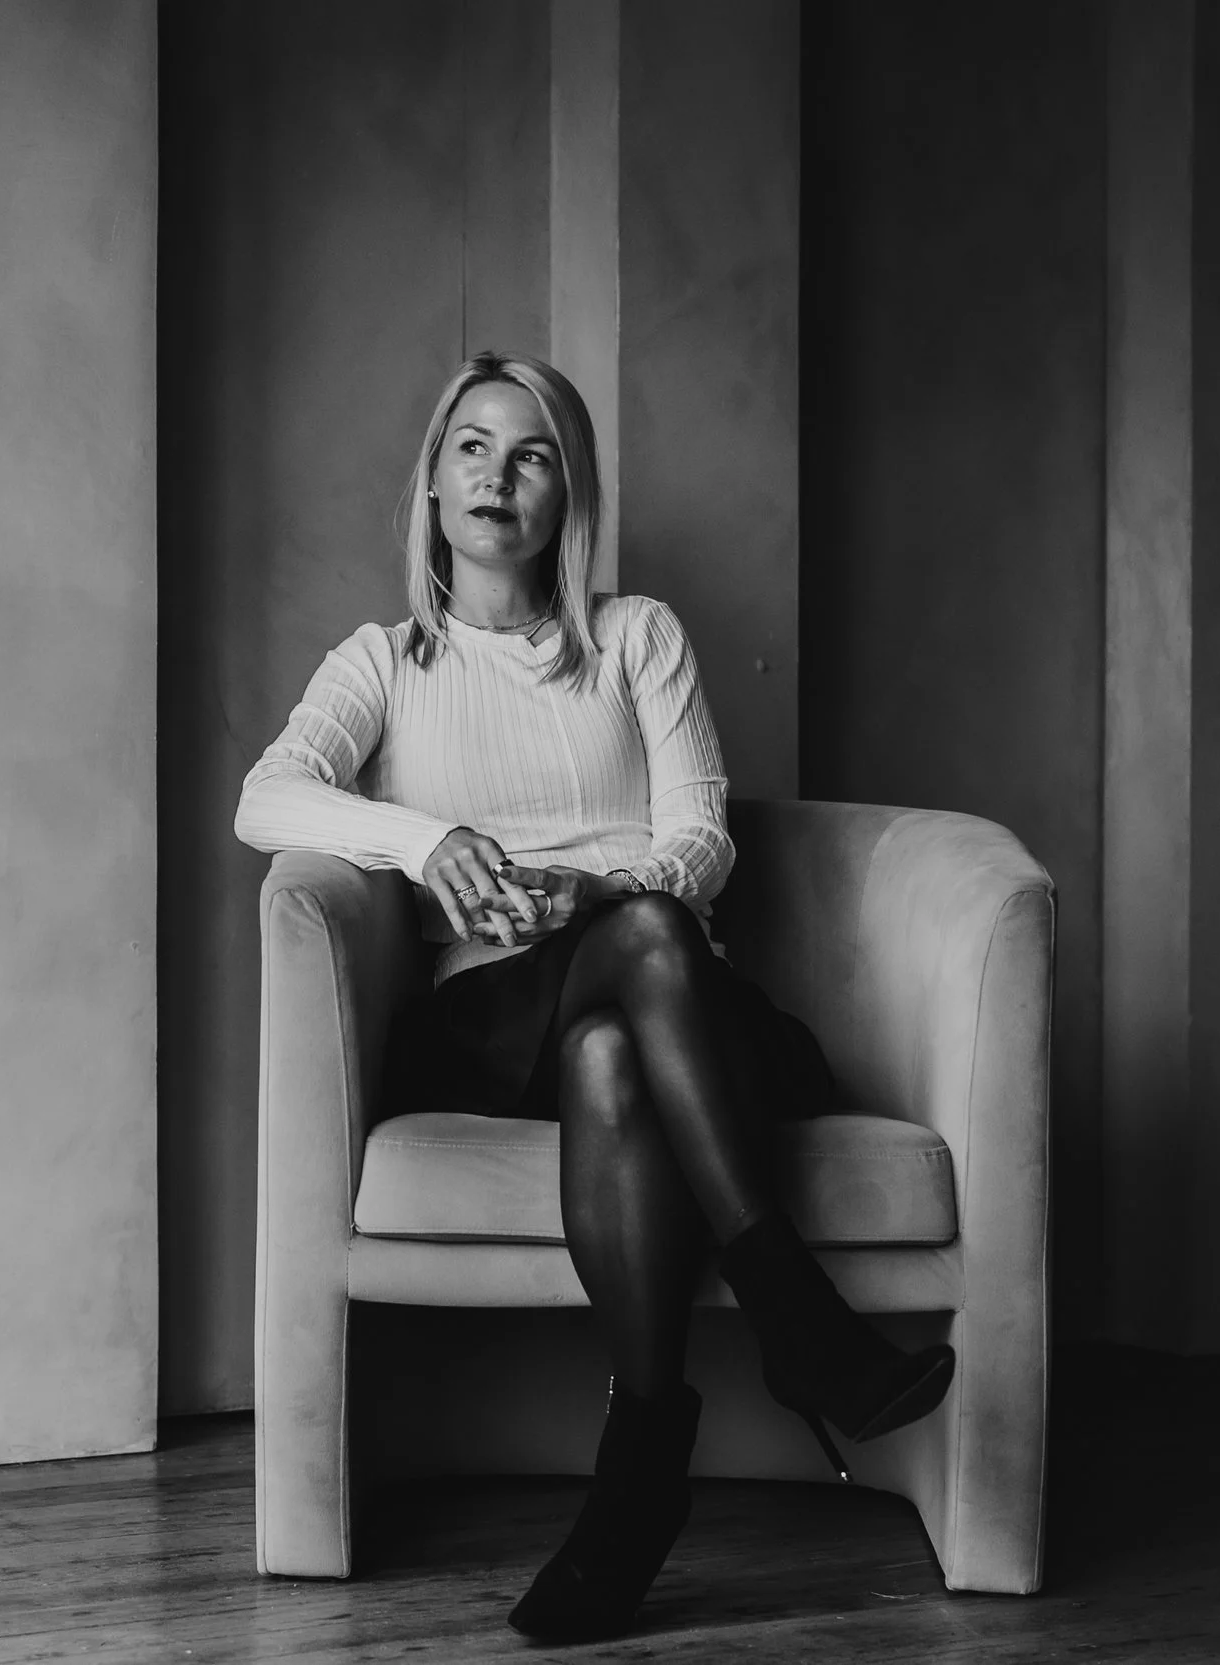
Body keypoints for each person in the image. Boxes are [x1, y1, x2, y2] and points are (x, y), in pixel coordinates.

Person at [232, 351, 954, 1643]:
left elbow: (702, 842)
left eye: (533, 455)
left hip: (682, 1011)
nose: (497, 476)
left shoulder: (635, 638)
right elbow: (265, 797)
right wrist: (426, 842)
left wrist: (594, 894)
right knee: (637, 955)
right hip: (493, 1024)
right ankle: (798, 1326)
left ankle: (643, 1468)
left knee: (628, 1009)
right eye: (471, 447)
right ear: (433, 481)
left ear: (568, 495)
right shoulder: (384, 662)